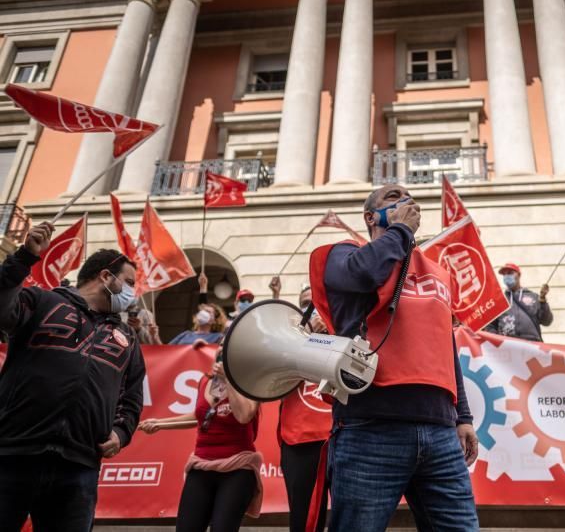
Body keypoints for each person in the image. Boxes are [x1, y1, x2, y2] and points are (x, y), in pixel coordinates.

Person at [308, 184, 479, 531]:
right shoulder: (341, 255)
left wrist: (462, 415)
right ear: (371, 217)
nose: (405, 200)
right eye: (392, 197)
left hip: (440, 432)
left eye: (409, 197)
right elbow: (365, 273)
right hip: (370, 428)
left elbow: (443, 345)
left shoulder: (436, 272)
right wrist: (400, 231)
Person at [0, 223, 146, 531]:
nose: (134, 291)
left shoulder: (127, 338)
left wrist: (121, 432)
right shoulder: (42, 301)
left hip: (78, 468)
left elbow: (132, 397)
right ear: (106, 276)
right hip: (13, 453)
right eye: (129, 282)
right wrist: (24, 257)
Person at [139, 349, 262, 532]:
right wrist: (160, 423)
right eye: (221, 346)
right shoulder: (205, 381)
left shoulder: (250, 382)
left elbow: (244, 415)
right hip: (201, 464)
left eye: (228, 346)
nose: (222, 349)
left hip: (237, 468)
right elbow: (199, 416)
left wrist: (229, 380)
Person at [274, 281, 331, 532]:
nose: (313, 309)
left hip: (343, 435)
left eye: (319, 303)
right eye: (307, 304)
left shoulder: (347, 329)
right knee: (303, 517)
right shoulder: (286, 340)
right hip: (299, 438)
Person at [485, 262, 552, 341]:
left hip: (532, 345)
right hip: (508, 346)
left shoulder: (533, 297)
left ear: (519, 275)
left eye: (510, 273)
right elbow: (490, 326)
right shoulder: (499, 301)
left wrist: (543, 301)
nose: (507, 276)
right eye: (504, 274)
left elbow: (546, 322)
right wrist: (498, 341)